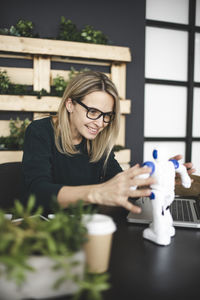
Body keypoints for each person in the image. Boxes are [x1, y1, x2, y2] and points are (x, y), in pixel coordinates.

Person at [22, 71, 194, 215]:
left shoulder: (98, 139)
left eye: (106, 115)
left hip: (90, 226)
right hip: (48, 228)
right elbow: (38, 193)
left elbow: (120, 184)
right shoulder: (40, 131)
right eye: (93, 111)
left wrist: (155, 178)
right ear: (70, 104)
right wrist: (96, 192)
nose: (100, 123)